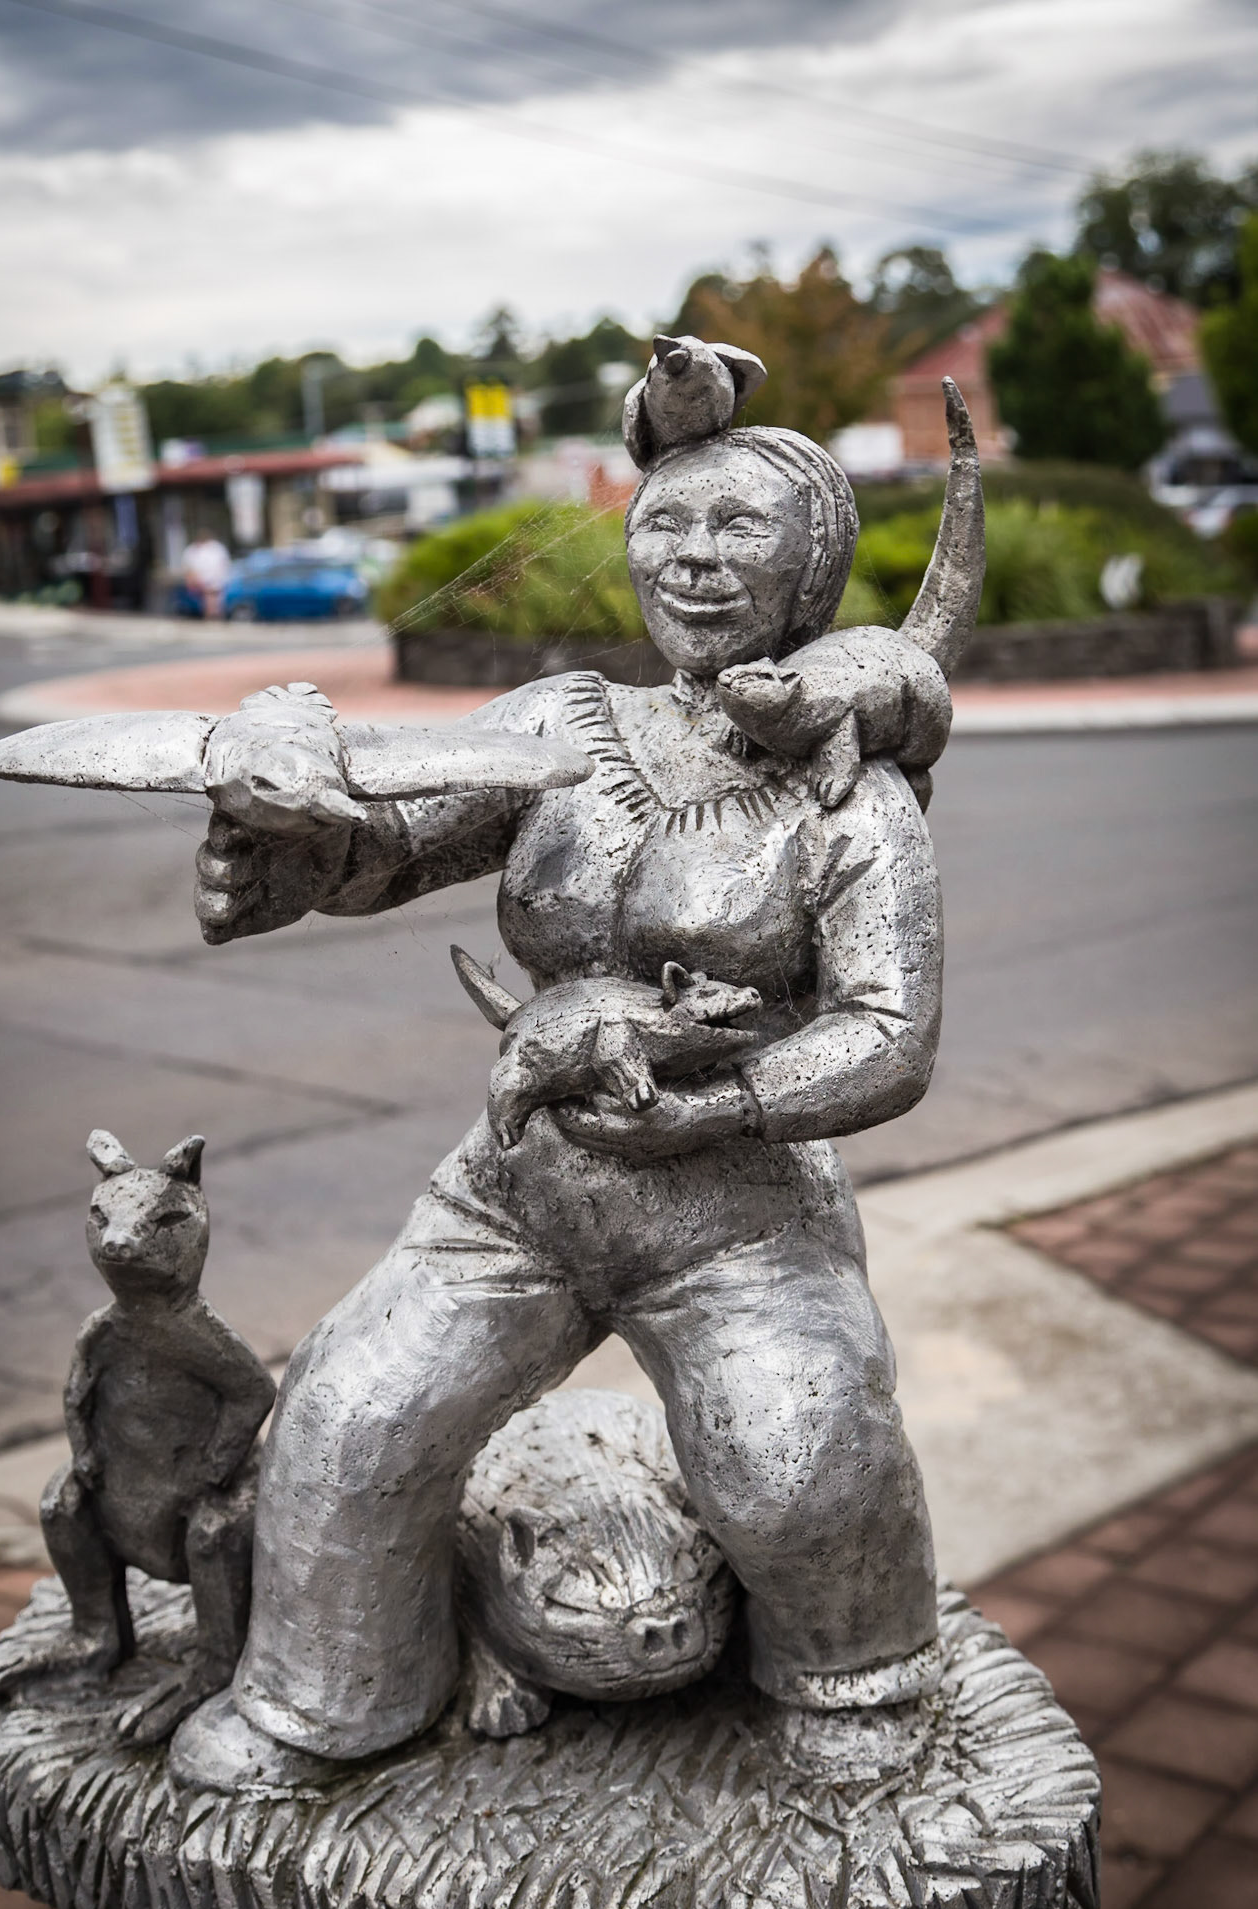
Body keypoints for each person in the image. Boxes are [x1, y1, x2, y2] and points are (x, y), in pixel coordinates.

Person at [177, 386, 954, 1787]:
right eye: (667, 521)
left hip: (738, 1211)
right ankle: (328, 1697)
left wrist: (720, 1108)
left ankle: (857, 1679)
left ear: (811, 568)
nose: (694, 555)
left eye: (739, 527)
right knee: (354, 1417)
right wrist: (283, 853)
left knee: (797, 1447)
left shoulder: (853, 796)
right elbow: (390, 842)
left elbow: (888, 1033)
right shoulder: (561, 720)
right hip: (521, 1190)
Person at [181, 528, 232, 620]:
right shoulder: (195, 550)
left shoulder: (215, 549)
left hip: (213, 581)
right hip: (206, 581)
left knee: (214, 602)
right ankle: (212, 616)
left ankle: (214, 616)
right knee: (210, 601)